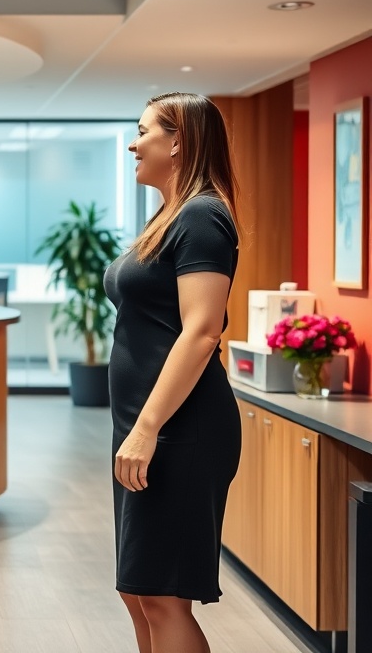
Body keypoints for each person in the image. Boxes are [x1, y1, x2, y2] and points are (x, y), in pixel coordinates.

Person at [102, 92, 241, 653]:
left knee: (162, 595)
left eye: (143, 131)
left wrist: (147, 427)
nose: (134, 144)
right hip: (149, 426)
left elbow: (203, 330)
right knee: (139, 591)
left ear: (178, 140)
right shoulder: (169, 216)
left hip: (180, 431)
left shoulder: (203, 216)